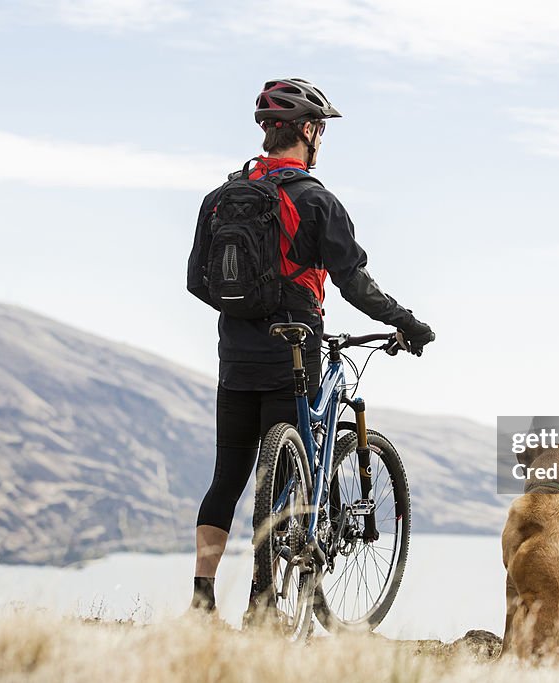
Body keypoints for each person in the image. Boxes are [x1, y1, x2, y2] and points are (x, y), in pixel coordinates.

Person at [185, 78, 435, 615]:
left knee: (227, 477)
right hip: (294, 351)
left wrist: (247, 313)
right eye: (320, 130)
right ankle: (262, 602)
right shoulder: (316, 200)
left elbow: (197, 282)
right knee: (283, 481)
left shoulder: (220, 199)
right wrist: (406, 322)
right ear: (308, 132)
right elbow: (354, 282)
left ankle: (201, 603)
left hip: (235, 356)